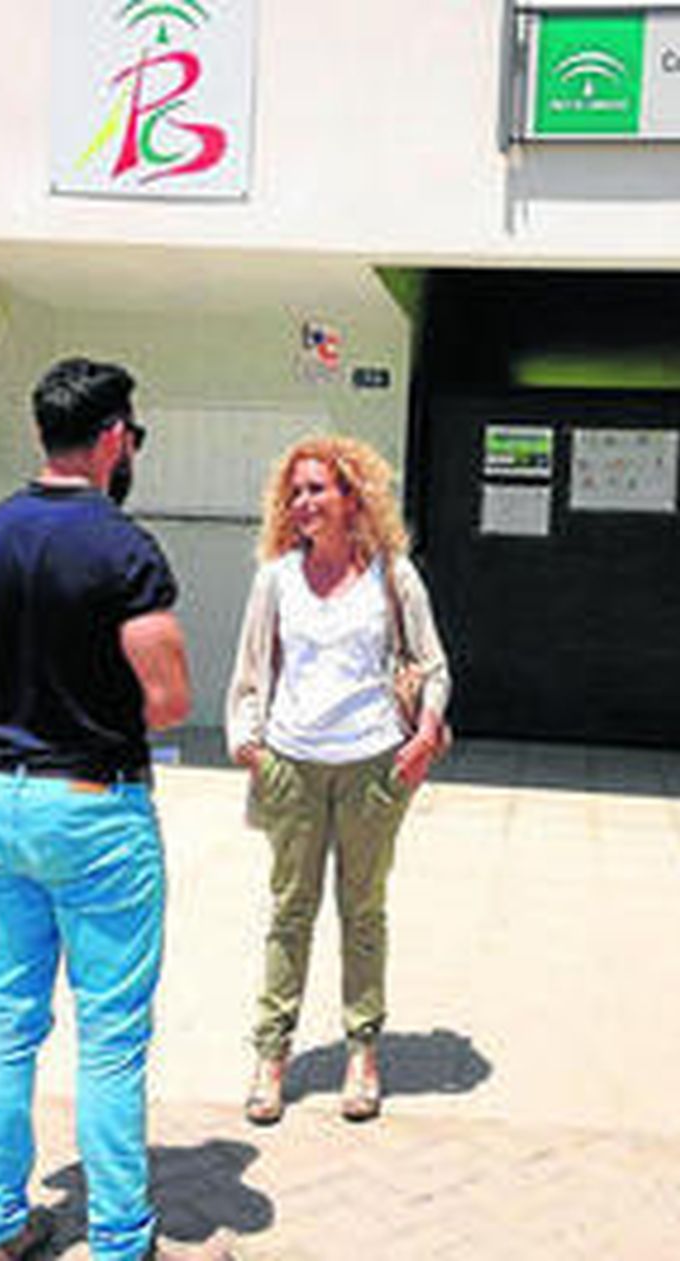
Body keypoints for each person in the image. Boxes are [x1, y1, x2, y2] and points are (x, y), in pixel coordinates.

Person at [0, 358, 212, 1261]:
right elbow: (169, 700)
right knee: (111, 1036)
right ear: (114, 437)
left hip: (1, 801)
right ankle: (123, 1240)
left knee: (8, 1019)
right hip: (94, 805)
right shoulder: (124, 550)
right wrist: (92, 711)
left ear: (40, 432)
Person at [225, 435, 451, 1126]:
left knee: (363, 912)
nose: (303, 502)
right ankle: (271, 1057)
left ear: (353, 496)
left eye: (317, 489)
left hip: (373, 767)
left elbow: (433, 666)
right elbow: (251, 669)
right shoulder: (276, 579)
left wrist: (423, 734)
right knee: (290, 913)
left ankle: (363, 1051)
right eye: (294, 492)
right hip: (291, 766)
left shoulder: (393, 576)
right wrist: (250, 745)